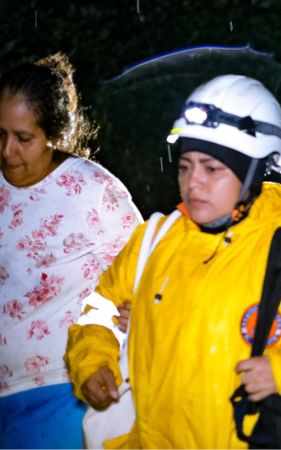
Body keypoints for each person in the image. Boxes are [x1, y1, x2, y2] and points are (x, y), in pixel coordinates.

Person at [64, 74, 281, 448]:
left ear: (258, 169)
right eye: (185, 166)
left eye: (212, 168)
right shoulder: (154, 239)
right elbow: (99, 309)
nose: (193, 182)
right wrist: (93, 359)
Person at [0, 54, 142, 448]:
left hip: (63, 392)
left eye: (23, 138)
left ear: (53, 134)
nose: (8, 150)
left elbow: (145, 273)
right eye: (0, 134)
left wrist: (143, 307)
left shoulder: (93, 193)